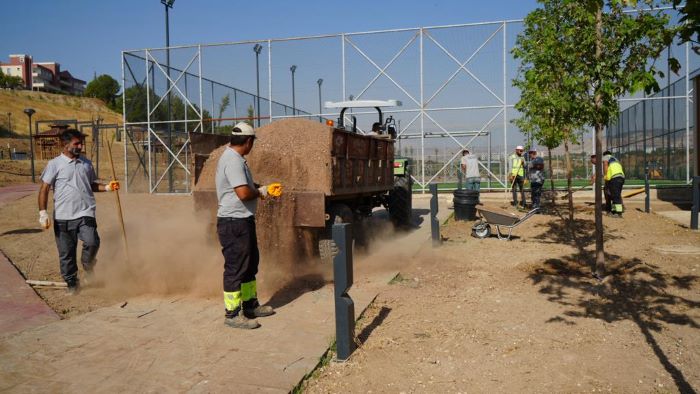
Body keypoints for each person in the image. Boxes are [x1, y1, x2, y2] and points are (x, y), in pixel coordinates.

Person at [216, 122, 283, 329]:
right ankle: (233, 313)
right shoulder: (233, 161)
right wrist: (262, 192)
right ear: (248, 141)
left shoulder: (236, 159)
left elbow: (244, 187)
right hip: (234, 222)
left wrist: (261, 187)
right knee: (236, 268)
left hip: (242, 220)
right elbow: (243, 193)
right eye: (252, 142)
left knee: (249, 265)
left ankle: (250, 305)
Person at [38, 129, 120, 295]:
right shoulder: (54, 164)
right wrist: (43, 213)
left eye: (81, 143)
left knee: (92, 242)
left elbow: (91, 185)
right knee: (66, 254)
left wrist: (106, 187)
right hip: (62, 216)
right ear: (65, 144)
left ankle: (88, 266)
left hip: (85, 212)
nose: (81, 146)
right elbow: (44, 189)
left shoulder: (86, 163)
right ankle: (71, 282)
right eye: (77, 143)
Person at [602, 150, 625, 217]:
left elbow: (605, 165)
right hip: (621, 177)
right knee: (616, 195)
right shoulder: (615, 159)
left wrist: (605, 175)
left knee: (615, 196)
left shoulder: (606, 157)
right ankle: (614, 211)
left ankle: (618, 213)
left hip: (614, 178)